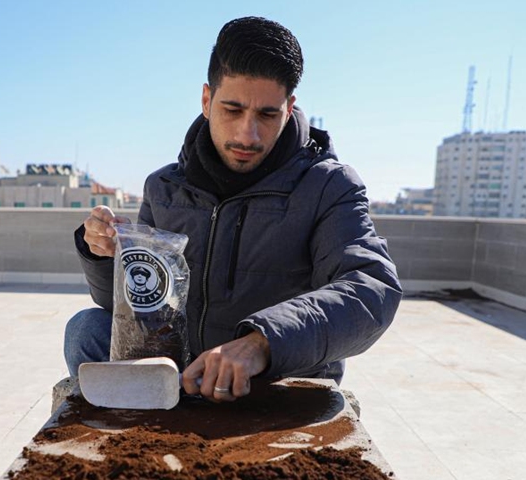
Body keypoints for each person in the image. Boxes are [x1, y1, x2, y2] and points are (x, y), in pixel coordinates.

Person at [65, 16, 402, 402]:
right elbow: (137, 310)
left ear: (289, 109)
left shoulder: (329, 186)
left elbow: (372, 289)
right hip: (187, 373)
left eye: (267, 115)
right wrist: (105, 255)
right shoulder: (164, 188)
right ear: (207, 101)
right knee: (86, 329)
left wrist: (262, 343)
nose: (248, 134)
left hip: (274, 380)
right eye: (233, 109)